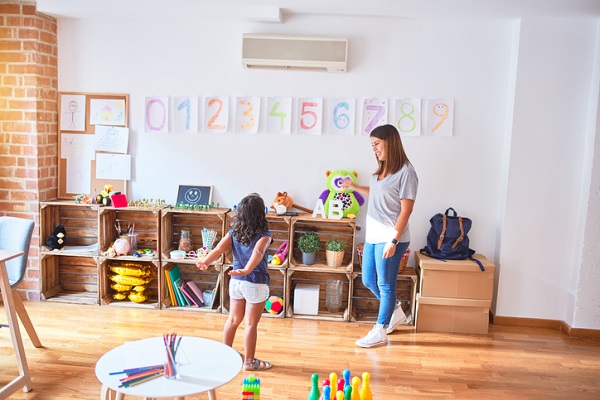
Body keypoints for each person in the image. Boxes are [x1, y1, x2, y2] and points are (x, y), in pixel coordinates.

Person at [342, 124, 418, 348]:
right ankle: (395, 311)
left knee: (386, 285)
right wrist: (353, 186)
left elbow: (406, 210)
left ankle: (380, 330)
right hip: (374, 236)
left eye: (377, 144)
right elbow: (377, 192)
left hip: (392, 238)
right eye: (372, 145)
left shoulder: (407, 173)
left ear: (390, 142)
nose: (374, 149)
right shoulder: (382, 171)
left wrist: (393, 240)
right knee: (367, 279)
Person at [196, 193, 273, 370]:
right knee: (251, 324)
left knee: (232, 320)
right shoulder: (265, 235)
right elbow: (259, 253)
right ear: (261, 214)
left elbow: (219, 248)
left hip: (236, 281)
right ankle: (249, 362)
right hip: (255, 282)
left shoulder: (233, 233)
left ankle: (225, 355)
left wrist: (206, 261)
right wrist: (248, 270)